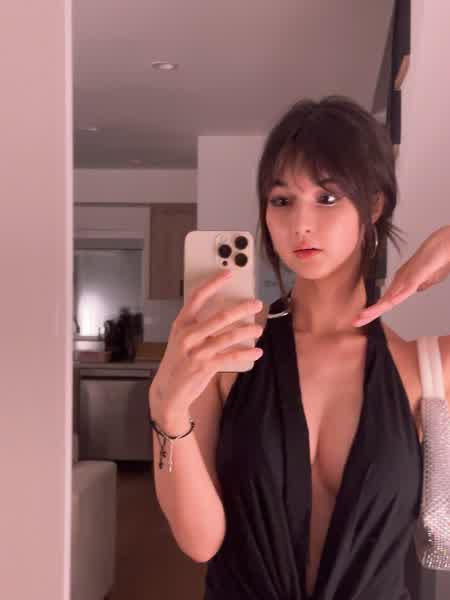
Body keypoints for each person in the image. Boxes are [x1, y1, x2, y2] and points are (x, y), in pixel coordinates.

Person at [149, 96, 450, 599]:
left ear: (374, 205)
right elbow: (200, 542)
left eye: (327, 197)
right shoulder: (227, 355)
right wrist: (166, 408)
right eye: (282, 200)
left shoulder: (428, 368)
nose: (300, 224)